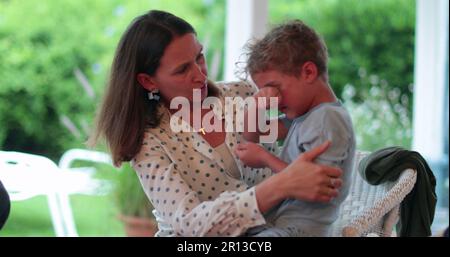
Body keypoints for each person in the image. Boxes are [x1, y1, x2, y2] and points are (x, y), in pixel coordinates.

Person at [90, 10, 343, 237]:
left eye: (199, 57)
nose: (200, 75)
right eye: (182, 70)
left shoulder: (242, 94)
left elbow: (305, 124)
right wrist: (282, 184)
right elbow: (190, 224)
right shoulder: (149, 143)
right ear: (148, 82)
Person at [235, 20, 356, 236]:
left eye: (275, 87)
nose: (275, 97)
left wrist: (264, 158)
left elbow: (317, 185)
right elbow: (253, 134)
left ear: (308, 72)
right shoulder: (304, 115)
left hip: (302, 229)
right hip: (279, 222)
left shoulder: (328, 119)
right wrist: (258, 106)